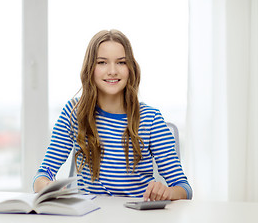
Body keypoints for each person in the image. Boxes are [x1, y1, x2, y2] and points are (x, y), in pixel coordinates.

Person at [33, 29, 192, 201]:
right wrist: (46, 186)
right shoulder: (74, 113)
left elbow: (184, 188)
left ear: (130, 68)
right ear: (90, 68)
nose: (112, 71)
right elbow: (42, 175)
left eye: (121, 62)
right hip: (91, 215)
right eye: (102, 62)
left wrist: (166, 192)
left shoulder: (150, 119)